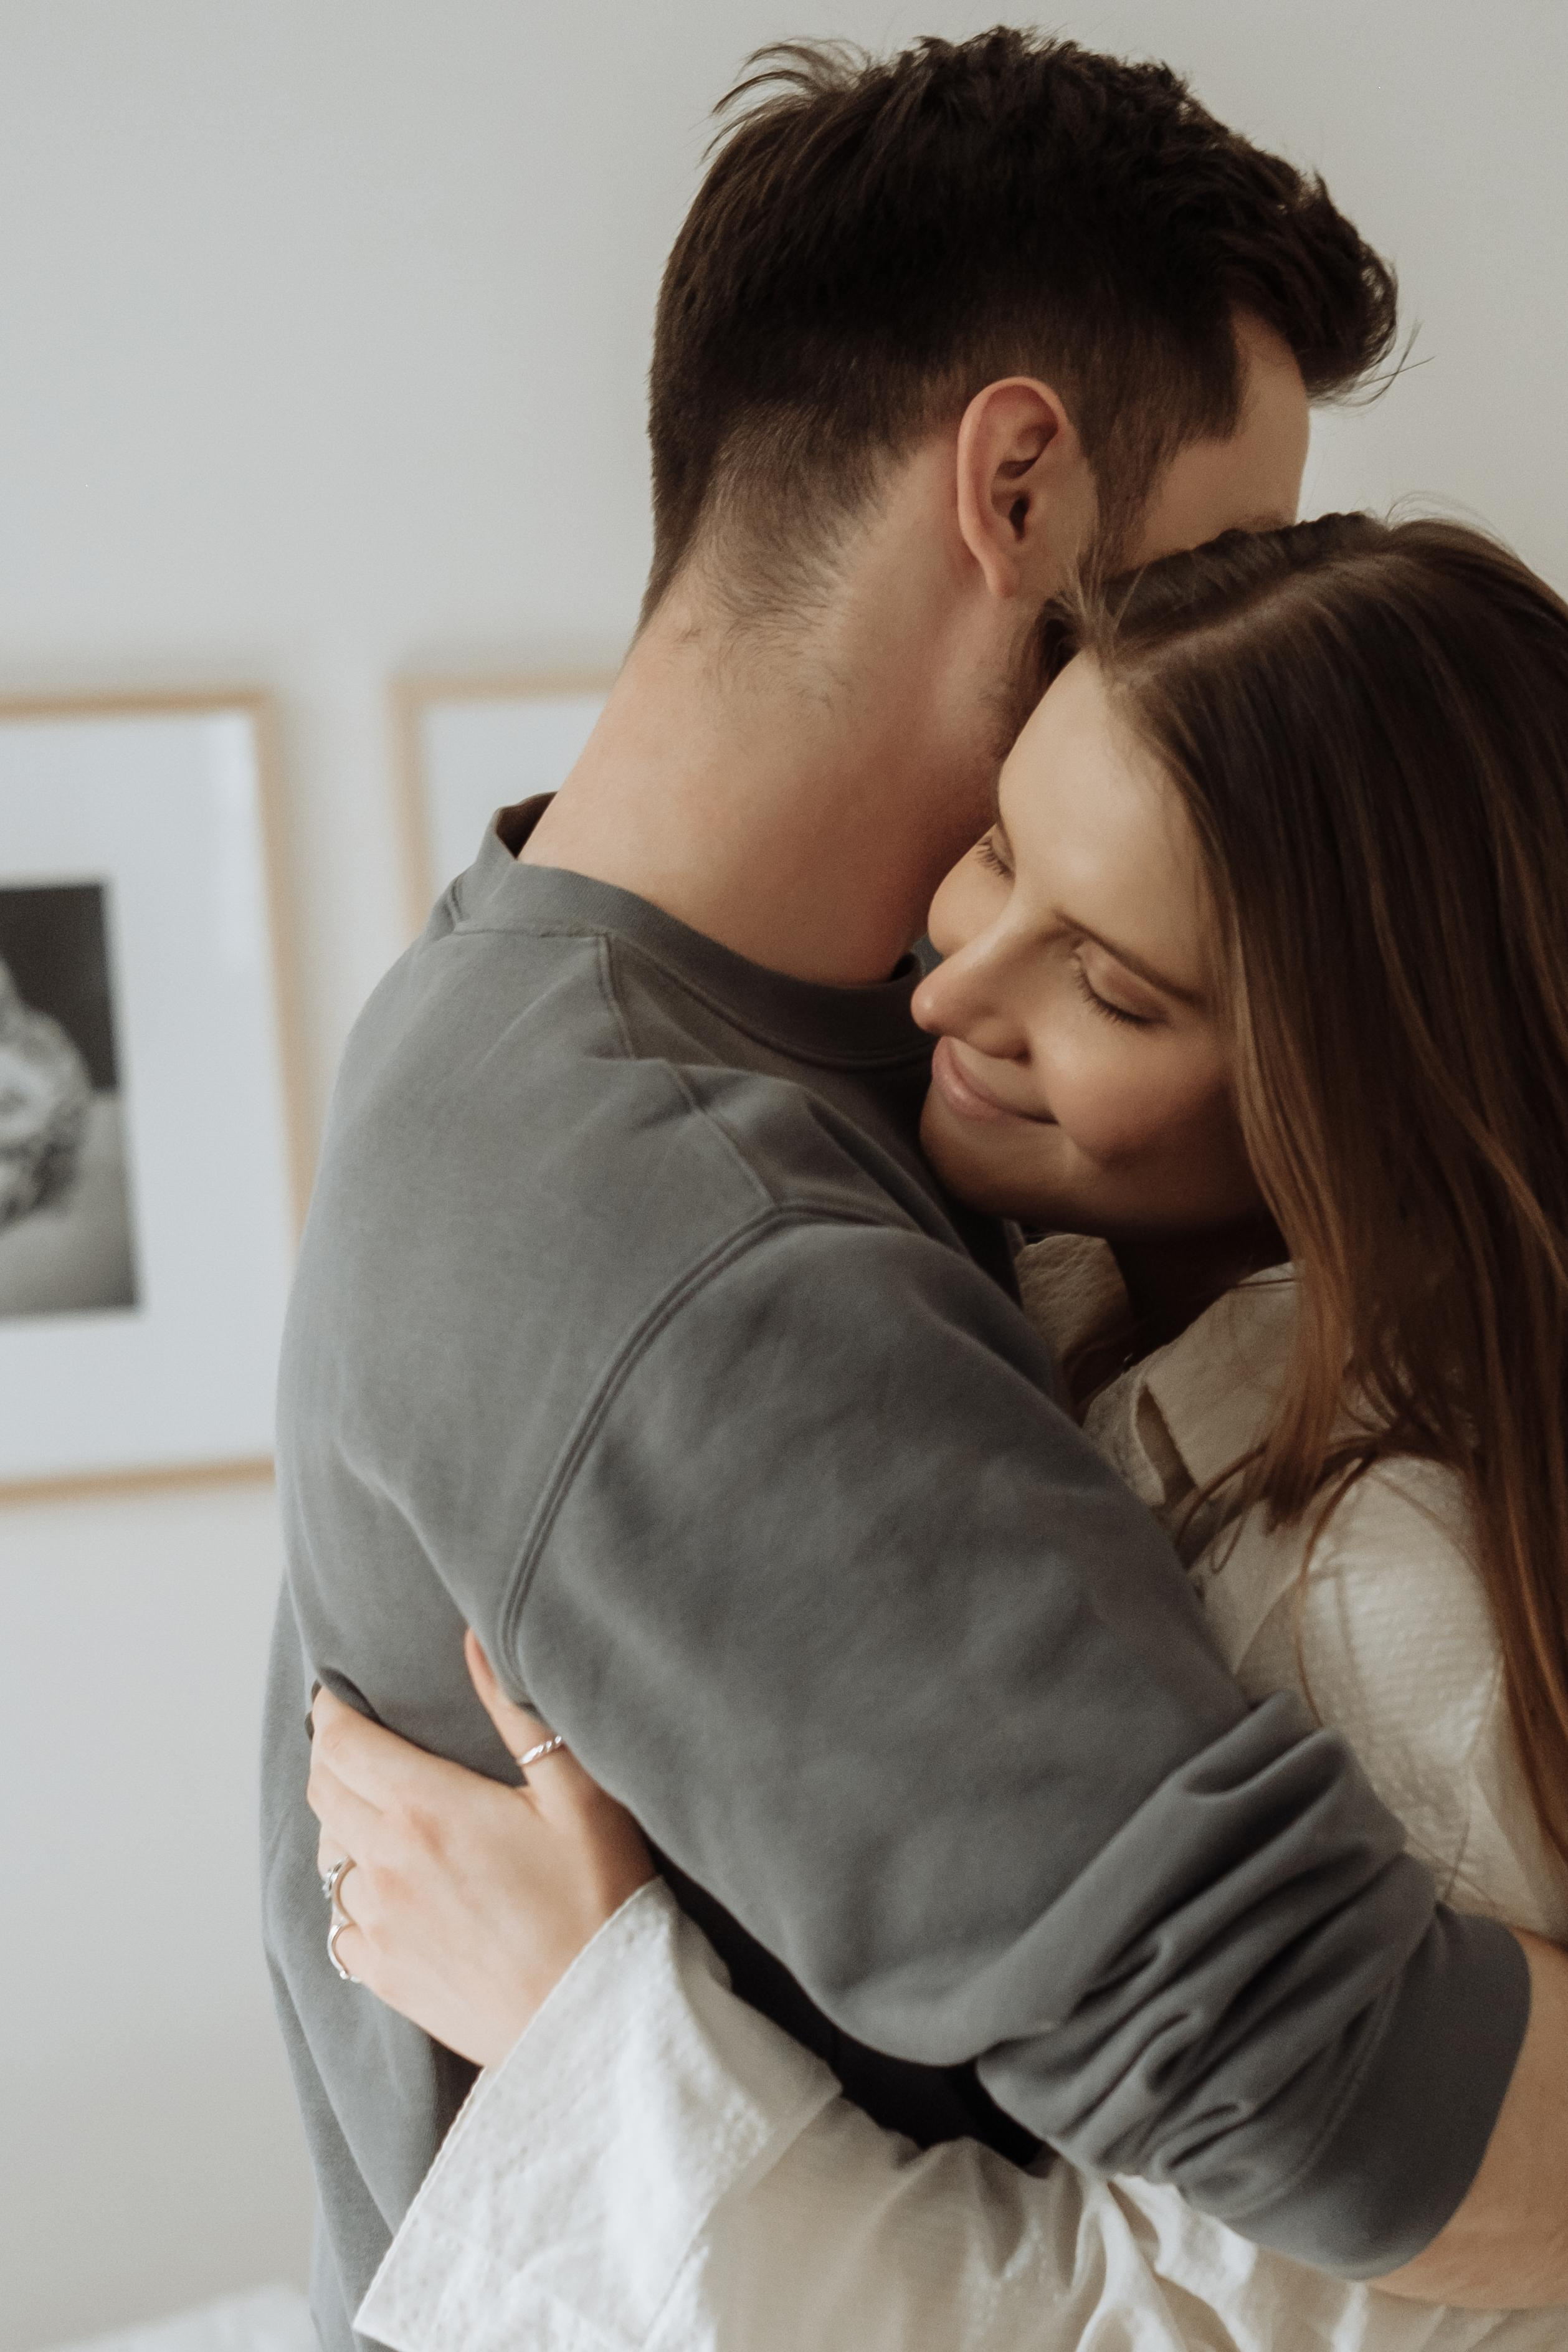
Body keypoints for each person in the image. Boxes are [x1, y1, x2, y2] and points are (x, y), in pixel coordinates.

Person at [263, 34, 1564, 2350]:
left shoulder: (549, 983)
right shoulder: (694, 1242)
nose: (1247, 628)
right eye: (1233, 540)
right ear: (1025, 483)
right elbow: (1355, 2106)